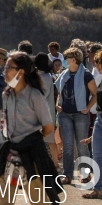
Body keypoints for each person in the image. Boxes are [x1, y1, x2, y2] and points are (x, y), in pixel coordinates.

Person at [0, 52, 61, 204]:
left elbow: (48, 127)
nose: (5, 71)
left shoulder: (34, 95)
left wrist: (31, 142)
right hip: (10, 156)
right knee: (2, 201)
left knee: (39, 202)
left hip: (33, 159)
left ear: (21, 72)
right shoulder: (6, 95)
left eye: (9, 67)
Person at [55, 47, 97, 185]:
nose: (65, 62)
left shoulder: (86, 75)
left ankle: (85, 175)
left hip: (80, 115)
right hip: (65, 114)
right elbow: (60, 91)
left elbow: (95, 94)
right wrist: (58, 105)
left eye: (67, 59)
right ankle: (67, 175)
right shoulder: (64, 74)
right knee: (67, 146)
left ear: (74, 60)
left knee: (82, 146)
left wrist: (87, 109)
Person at [33, 53, 59, 171]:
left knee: (49, 140)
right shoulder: (47, 76)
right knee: (48, 140)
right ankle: (52, 164)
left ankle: (55, 165)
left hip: (43, 113)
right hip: (46, 113)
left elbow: (42, 95)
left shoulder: (45, 77)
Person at [83, 49, 102, 200]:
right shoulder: (99, 78)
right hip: (99, 119)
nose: (96, 65)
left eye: (98, 62)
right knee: (97, 155)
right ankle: (98, 189)